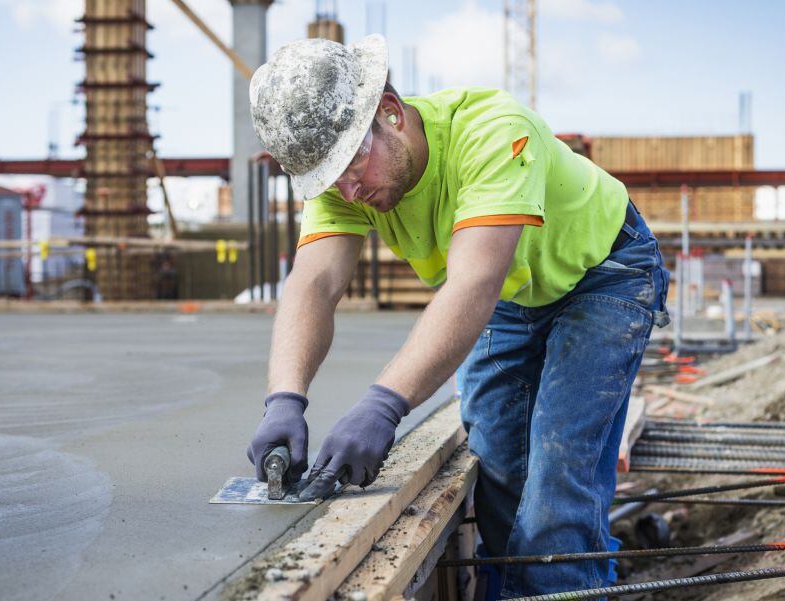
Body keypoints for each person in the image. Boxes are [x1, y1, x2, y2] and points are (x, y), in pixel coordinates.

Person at [245, 34, 669, 596]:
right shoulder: (342, 179)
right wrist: (284, 400)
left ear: (391, 114)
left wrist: (382, 406)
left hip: (604, 271)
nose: (346, 190)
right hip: (517, 293)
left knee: (557, 484)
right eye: (328, 181)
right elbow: (315, 282)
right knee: (497, 474)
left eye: (351, 166)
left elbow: (473, 284)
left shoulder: (492, 132)